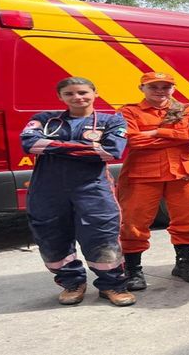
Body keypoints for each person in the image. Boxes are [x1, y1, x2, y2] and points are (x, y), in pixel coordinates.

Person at [20, 77, 135, 306]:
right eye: (70, 94)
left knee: (102, 236)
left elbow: (111, 152)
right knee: (51, 237)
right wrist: (87, 148)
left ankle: (112, 285)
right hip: (47, 190)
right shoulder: (45, 119)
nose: (77, 97)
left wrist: (53, 147)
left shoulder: (111, 120)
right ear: (60, 97)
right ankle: (72, 283)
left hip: (93, 189)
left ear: (95, 93)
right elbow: (29, 143)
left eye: (83, 92)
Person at [118, 72, 189, 291]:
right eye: (154, 87)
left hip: (184, 172)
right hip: (142, 174)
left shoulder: (186, 109)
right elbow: (133, 140)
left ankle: (185, 265)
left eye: (166, 87)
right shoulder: (128, 111)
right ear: (141, 88)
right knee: (134, 223)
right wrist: (181, 134)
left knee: (188, 221)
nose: (160, 91)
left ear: (173, 88)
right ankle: (133, 270)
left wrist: (157, 132)